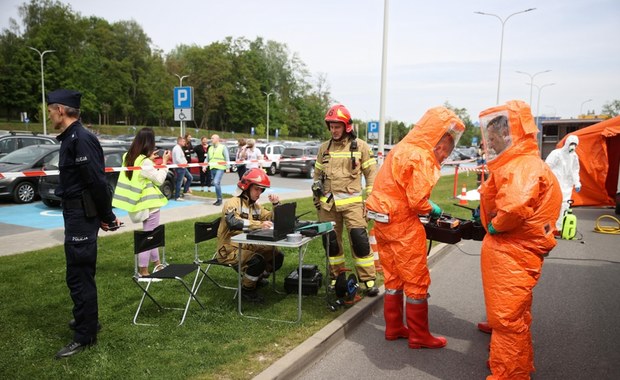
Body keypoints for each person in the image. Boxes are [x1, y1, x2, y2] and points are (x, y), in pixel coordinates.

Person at [365, 106, 465, 348]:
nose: (444, 158)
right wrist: (435, 210)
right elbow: (418, 201)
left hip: (383, 223)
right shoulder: (422, 157)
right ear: (440, 145)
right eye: (446, 153)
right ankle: (419, 335)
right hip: (403, 227)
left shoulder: (400, 149)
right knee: (416, 281)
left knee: (392, 278)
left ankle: (393, 327)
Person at [477, 100, 562, 379]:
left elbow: (512, 207)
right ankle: (517, 368)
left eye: (492, 137)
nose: (490, 143)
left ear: (507, 134)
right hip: (516, 250)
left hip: (511, 251)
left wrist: (496, 226)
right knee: (515, 316)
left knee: (506, 320)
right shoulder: (521, 164)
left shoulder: (522, 166)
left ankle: (508, 374)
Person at [47, 89, 120, 359]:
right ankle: (86, 319)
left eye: (51, 111)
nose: (50, 115)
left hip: (81, 217)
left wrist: (107, 215)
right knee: (77, 273)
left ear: (62, 110)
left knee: (80, 274)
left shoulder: (81, 139)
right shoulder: (72, 138)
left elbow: (97, 182)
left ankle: (85, 334)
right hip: (76, 215)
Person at [313, 104, 379, 297]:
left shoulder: (361, 147)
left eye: (337, 126)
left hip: (353, 205)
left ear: (346, 126)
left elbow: (372, 175)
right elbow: (317, 175)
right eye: (331, 126)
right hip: (328, 206)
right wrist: (316, 197)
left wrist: (371, 200)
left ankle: (367, 281)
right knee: (332, 244)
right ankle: (336, 278)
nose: (334, 130)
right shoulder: (323, 148)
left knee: (360, 241)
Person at [215, 168, 284, 303]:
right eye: (257, 189)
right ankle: (247, 290)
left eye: (261, 190)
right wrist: (259, 224)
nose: (259, 193)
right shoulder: (232, 203)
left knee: (277, 256)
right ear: (246, 186)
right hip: (228, 250)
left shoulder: (255, 206)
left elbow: (272, 218)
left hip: (247, 245)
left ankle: (255, 278)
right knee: (257, 261)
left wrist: (276, 205)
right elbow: (233, 222)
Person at [112, 127, 169, 277]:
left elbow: (139, 173)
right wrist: (164, 163)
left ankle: (157, 264)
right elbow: (159, 180)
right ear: (149, 143)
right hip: (149, 205)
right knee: (149, 237)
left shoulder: (127, 157)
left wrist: (148, 159)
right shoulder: (145, 162)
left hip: (136, 204)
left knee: (151, 234)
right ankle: (143, 270)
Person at [545, 135, 581, 232]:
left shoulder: (574, 156)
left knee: (564, 206)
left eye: (574, 144)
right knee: (553, 205)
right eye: (571, 144)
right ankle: (548, 227)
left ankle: (559, 228)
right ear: (567, 143)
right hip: (556, 183)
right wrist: (548, 180)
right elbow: (547, 166)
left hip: (567, 186)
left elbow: (575, 170)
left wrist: (577, 182)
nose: (572, 146)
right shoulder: (557, 153)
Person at [207, 134, 230, 206]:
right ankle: (219, 199)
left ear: (217, 139)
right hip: (212, 167)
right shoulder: (210, 148)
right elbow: (207, 158)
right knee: (217, 184)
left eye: (212, 138)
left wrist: (228, 167)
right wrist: (204, 166)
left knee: (215, 182)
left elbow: (227, 157)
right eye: (211, 138)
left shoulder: (223, 147)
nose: (211, 139)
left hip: (220, 167)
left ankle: (219, 199)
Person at [172, 136, 192, 201]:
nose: (184, 142)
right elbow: (178, 159)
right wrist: (183, 164)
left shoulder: (179, 148)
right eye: (183, 141)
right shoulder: (177, 148)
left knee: (190, 178)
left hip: (182, 167)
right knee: (179, 182)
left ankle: (185, 191)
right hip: (180, 167)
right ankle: (177, 196)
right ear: (179, 141)